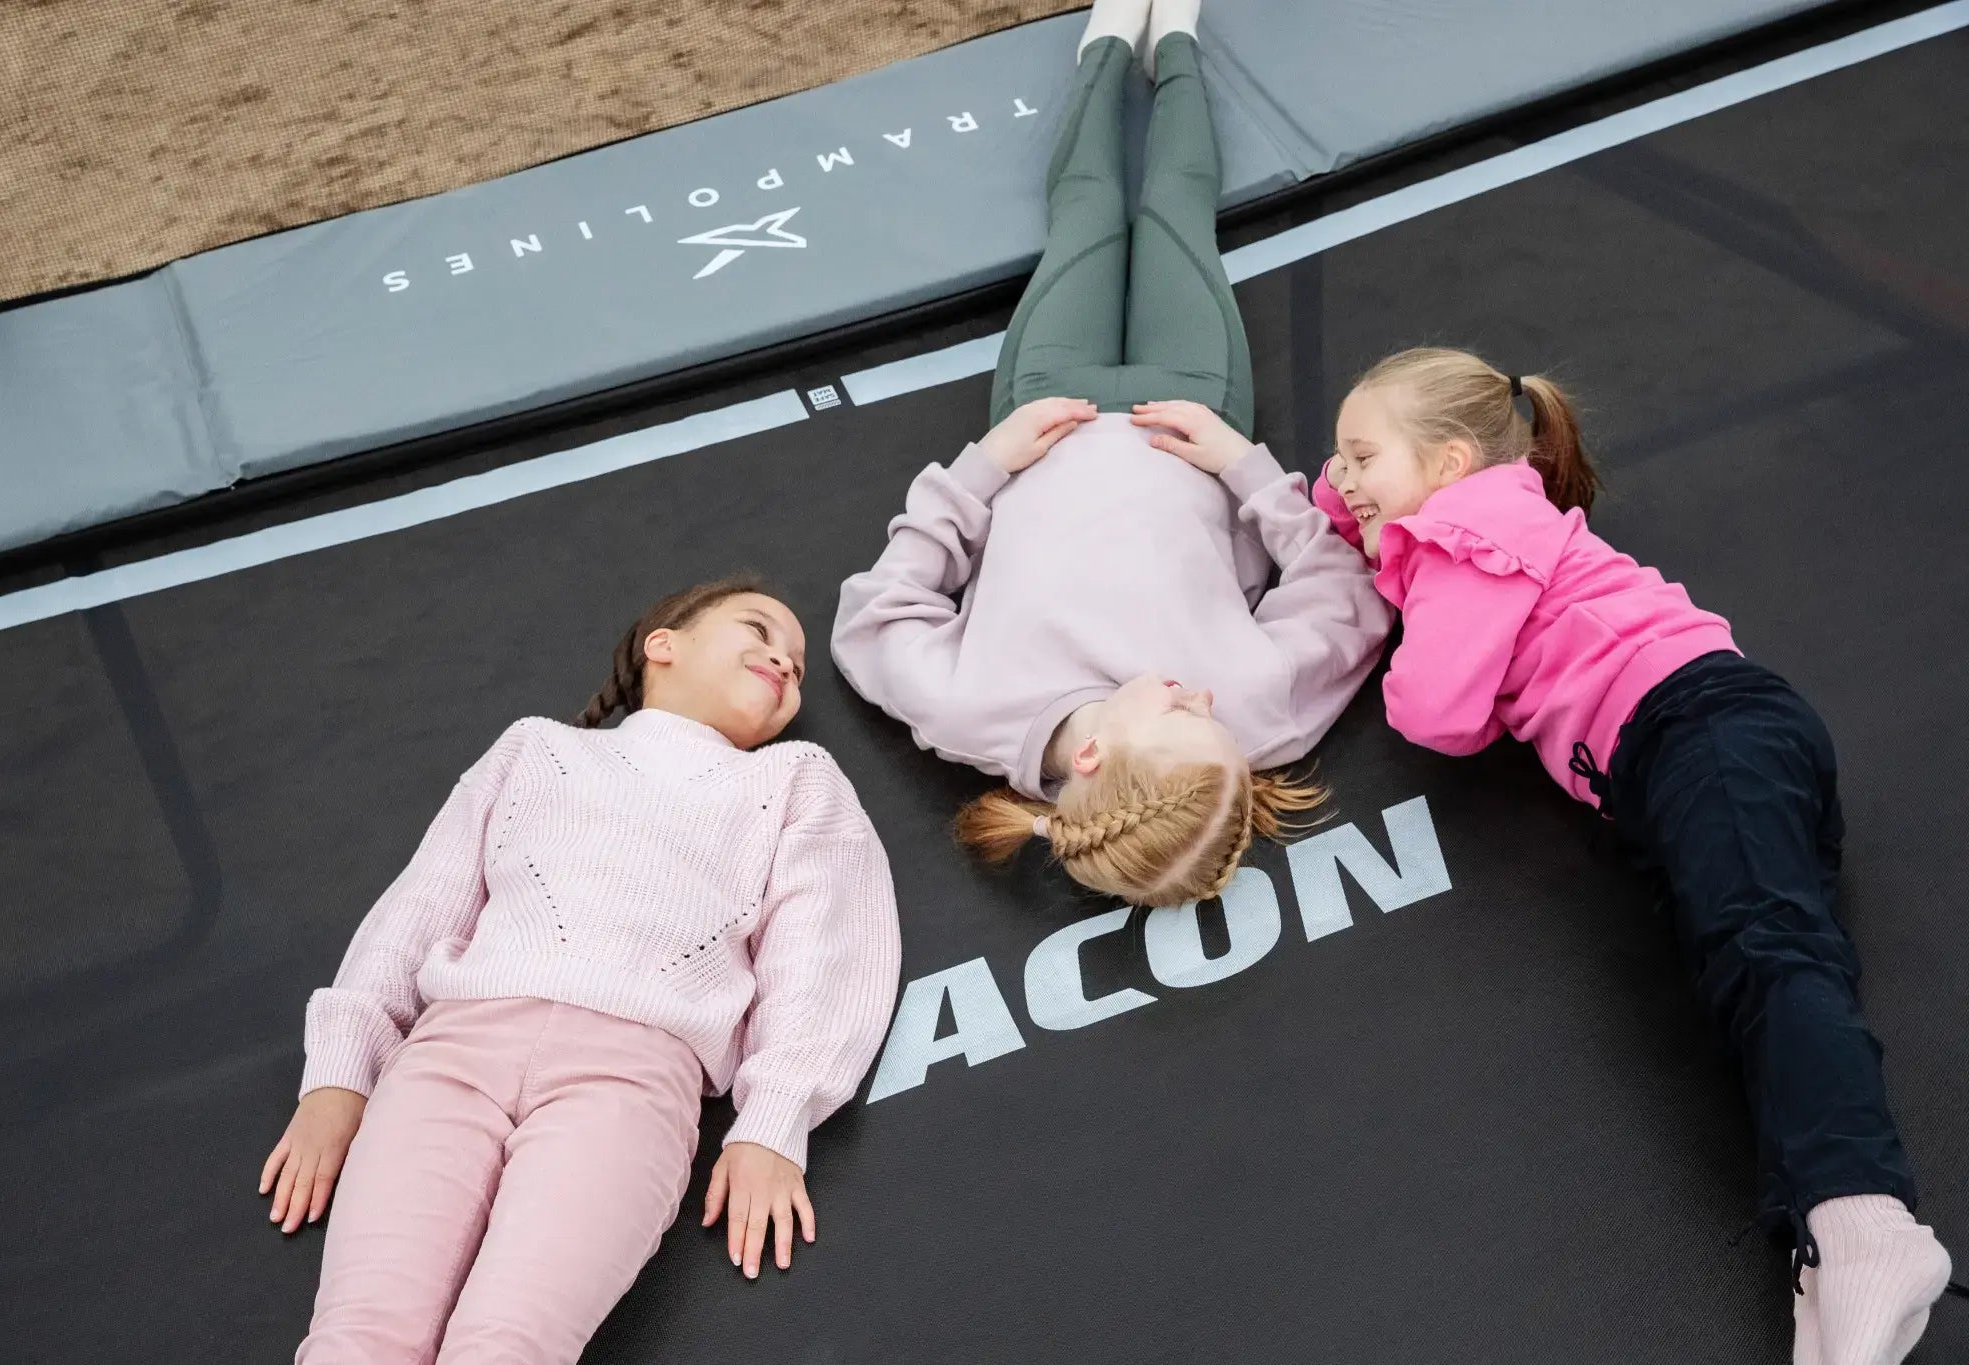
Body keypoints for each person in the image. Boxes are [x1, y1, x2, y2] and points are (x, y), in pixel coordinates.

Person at [1317, 346, 1955, 1365]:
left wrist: (1388, 547)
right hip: (1683, 759)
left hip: (1697, 729)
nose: (1338, 478)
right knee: (1749, 978)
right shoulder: (1472, 512)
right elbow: (1342, 509)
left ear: (1442, 463)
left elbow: (1432, 710)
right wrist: (1352, 494)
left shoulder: (1466, 529)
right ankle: (1818, 1252)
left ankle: (1863, 1219)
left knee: (1769, 955)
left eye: (1358, 454)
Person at [258, 577, 901, 1364]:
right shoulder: (538, 746)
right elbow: (421, 905)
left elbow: (826, 946)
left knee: (509, 1345)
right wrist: (339, 1074)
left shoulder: (794, 779)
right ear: (662, 644)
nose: (784, 662)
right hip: (451, 1054)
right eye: (759, 628)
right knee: (357, 1338)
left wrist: (775, 1119)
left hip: (628, 1084)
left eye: (798, 667)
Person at [833, 0, 1389, 908]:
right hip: (1195, 403)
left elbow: (873, 619)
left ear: (1088, 755)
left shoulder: (971, 710)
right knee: (1175, 206)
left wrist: (983, 467)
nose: (1203, 702)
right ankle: (1174, 40)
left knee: (1086, 212)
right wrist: (1243, 467)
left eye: (1182, 712)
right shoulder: (1251, 718)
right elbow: (1350, 594)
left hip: (1044, 407)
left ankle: (1103, 44)